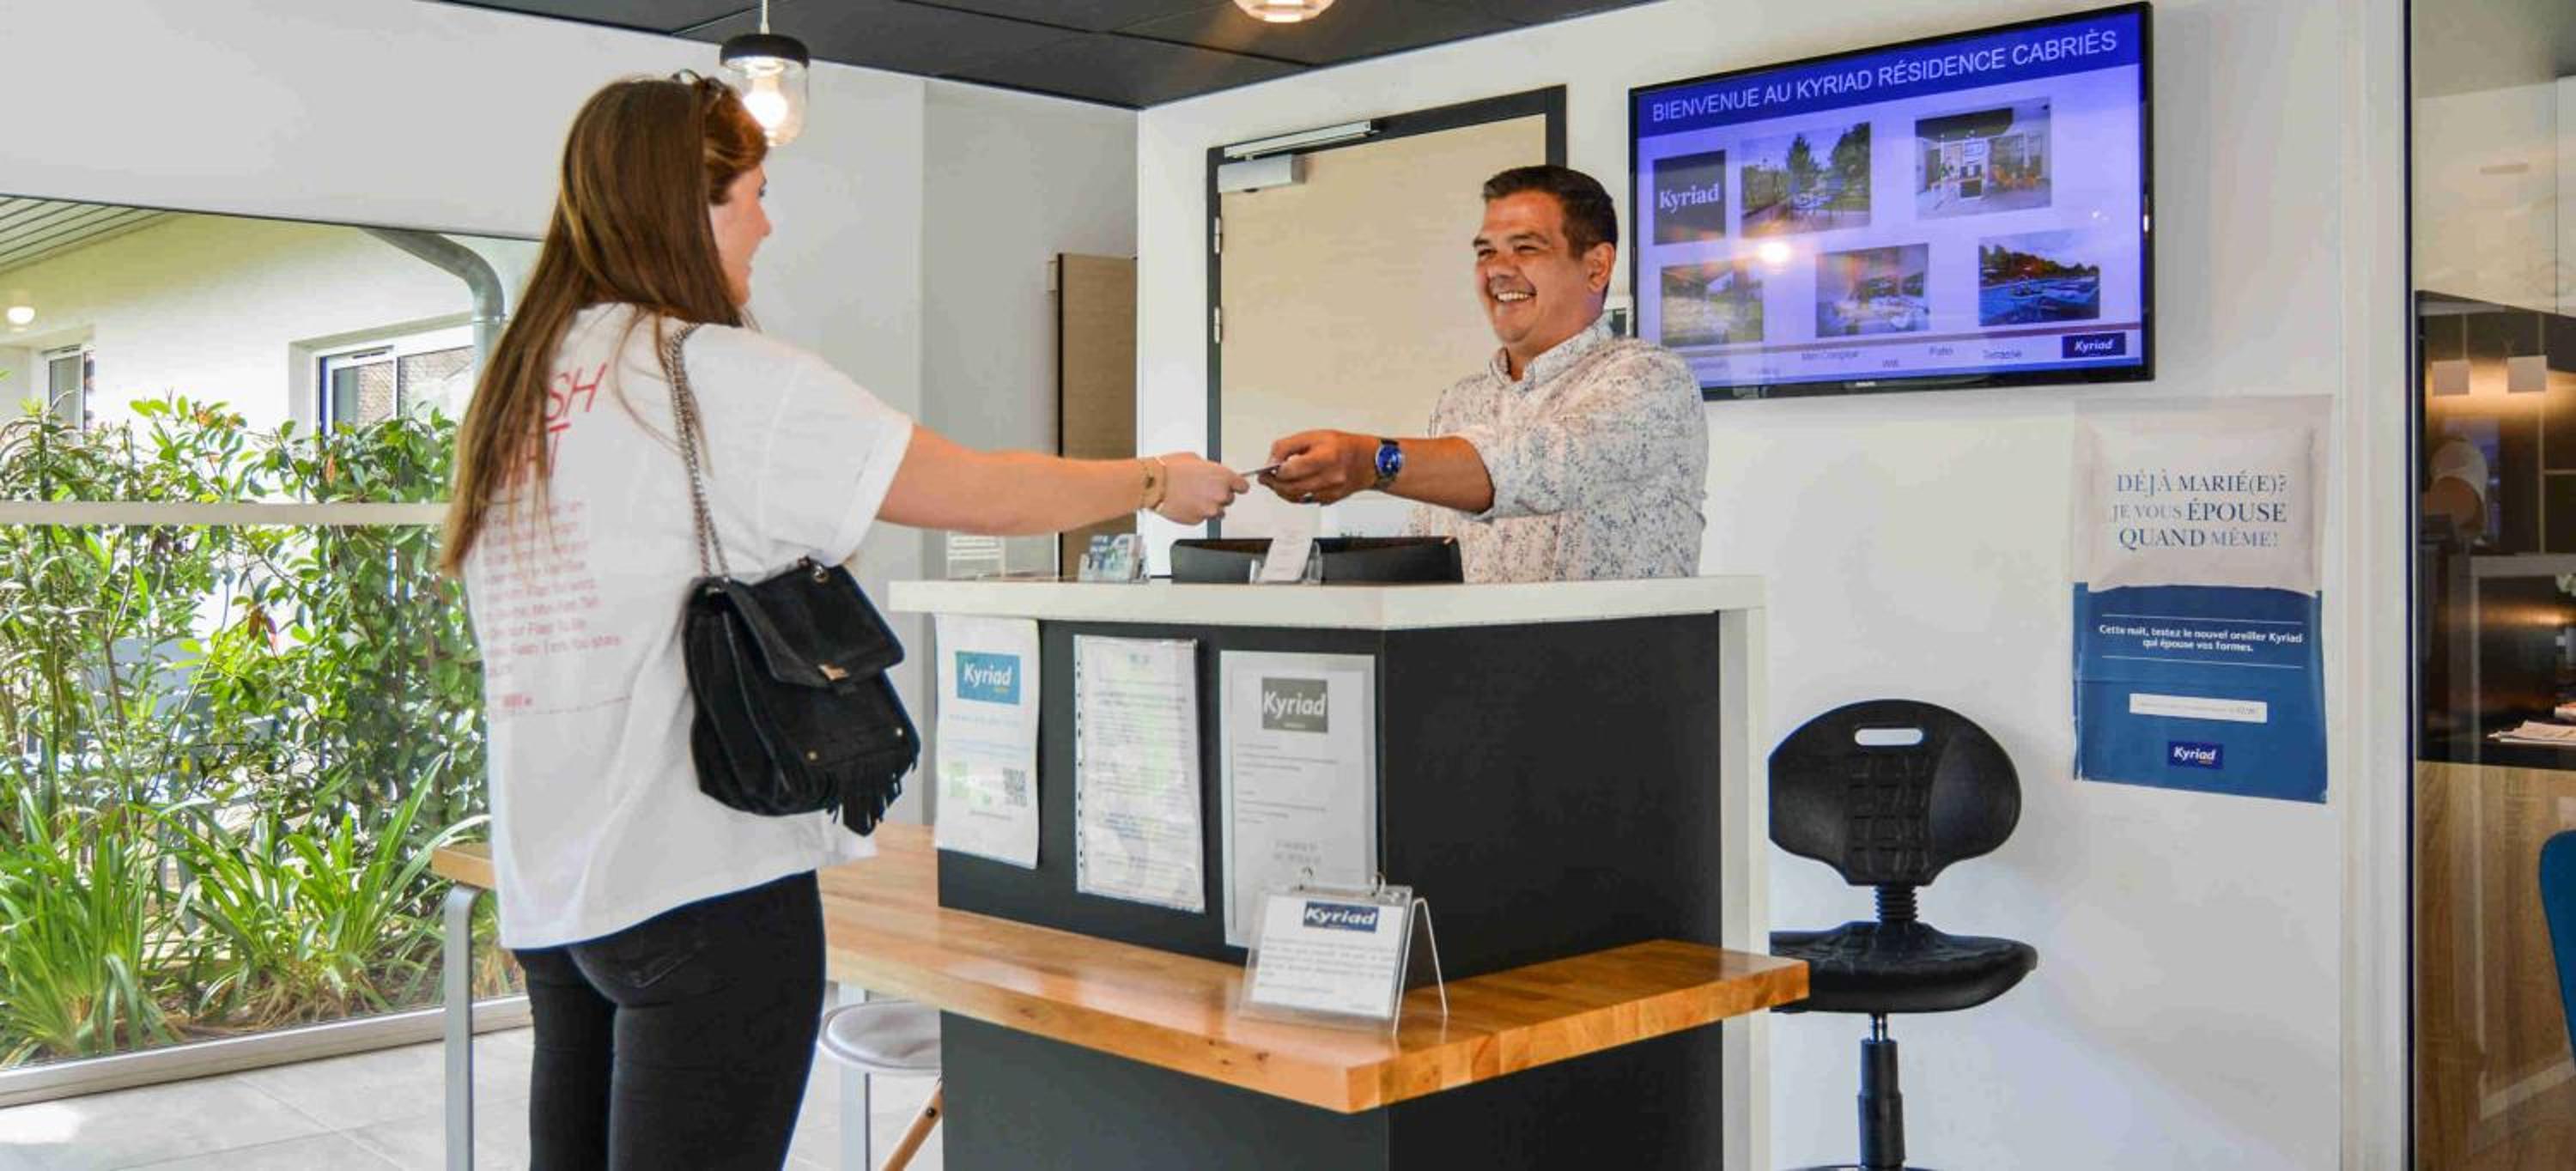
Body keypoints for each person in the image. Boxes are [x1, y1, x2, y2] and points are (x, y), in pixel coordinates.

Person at [439, 75, 1243, 1169]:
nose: (767, 226)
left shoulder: (517, 387)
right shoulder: (717, 375)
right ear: (689, 207)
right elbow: (980, 491)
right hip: (701, 879)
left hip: (557, 891)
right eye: (755, 195)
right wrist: (1153, 479)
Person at [1256, 165, 1707, 583]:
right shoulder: (1459, 402)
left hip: (1616, 648)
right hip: (1467, 648)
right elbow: (1426, 557)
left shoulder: (1651, 379)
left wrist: (1373, 461)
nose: (1498, 270)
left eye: (1526, 248)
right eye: (1486, 252)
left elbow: (1539, 468)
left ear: (1597, 267)